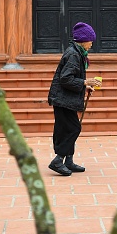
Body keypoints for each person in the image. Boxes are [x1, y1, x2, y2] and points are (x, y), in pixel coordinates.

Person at [47, 22, 102, 176]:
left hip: (66, 99)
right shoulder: (73, 54)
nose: (91, 44)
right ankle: (58, 160)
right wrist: (85, 82)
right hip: (62, 99)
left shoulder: (77, 53)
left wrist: (85, 87)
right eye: (91, 40)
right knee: (73, 129)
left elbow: (71, 79)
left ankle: (68, 161)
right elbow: (65, 79)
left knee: (68, 129)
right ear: (84, 40)